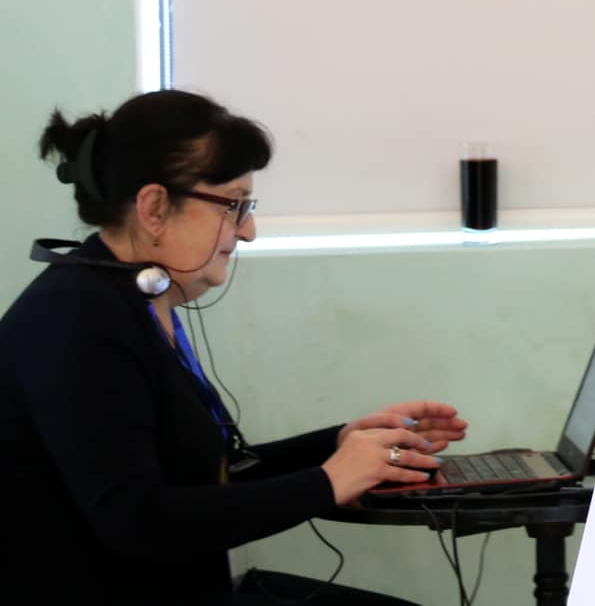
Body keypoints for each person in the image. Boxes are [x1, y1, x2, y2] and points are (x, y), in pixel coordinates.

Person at [0, 90, 467, 605]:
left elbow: (215, 474)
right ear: (154, 208)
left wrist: (339, 444)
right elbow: (137, 521)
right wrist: (328, 481)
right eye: (233, 205)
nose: (248, 231)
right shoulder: (78, 321)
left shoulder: (133, 301)